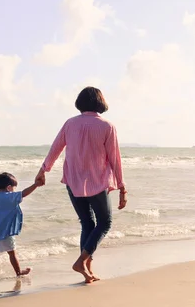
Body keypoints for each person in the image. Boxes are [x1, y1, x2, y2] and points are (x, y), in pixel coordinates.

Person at [35, 87, 127, 284]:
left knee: (87, 223)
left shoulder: (70, 124)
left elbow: (56, 147)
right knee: (104, 223)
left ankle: (87, 270)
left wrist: (44, 169)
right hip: (97, 181)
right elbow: (115, 159)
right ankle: (80, 262)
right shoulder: (107, 126)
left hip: (73, 180)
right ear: (100, 102)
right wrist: (122, 187)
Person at [0, 172, 42, 281]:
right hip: (3, 232)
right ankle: (18, 272)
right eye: (14, 188)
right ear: (9, 188)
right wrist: (35, 185)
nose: (14, 190)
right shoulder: (8, 196)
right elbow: (23, 193)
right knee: (12, 253)